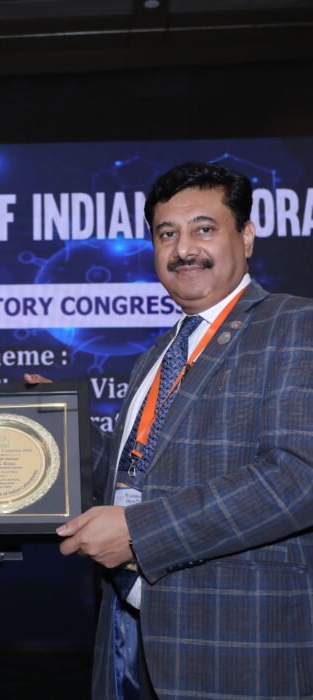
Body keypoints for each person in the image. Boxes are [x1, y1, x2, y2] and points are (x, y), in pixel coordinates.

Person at [27, 162, 313, 699]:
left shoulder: (296, 324)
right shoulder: (159, 352)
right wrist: (59, 430)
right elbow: (136, 475)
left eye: (204, 229)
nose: (184, 249)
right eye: (167, 234)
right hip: (130, 641)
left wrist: (139, 532)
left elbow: (298, 479)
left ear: (246, 237)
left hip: (238, 649)